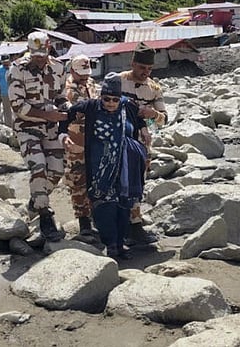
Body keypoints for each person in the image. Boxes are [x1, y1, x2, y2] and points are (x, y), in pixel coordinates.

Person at [58, 72, 150, 259]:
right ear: (101, 97)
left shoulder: (127, 105)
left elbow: (139, 117)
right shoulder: (90, 107)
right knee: (104, 206)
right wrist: (63, 135)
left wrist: (144, 130)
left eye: (114, 100)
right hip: (99, 168)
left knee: (123, 204)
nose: (110, 103)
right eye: (106, 99)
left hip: (124, 166)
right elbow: (66, 116)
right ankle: (111, 245)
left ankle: (120, 243)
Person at [8, 31, 68, 242]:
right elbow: (17, 105)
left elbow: (60, 96)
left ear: (49, 47)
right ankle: (45, 216)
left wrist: (67, 111)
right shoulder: (17, 69)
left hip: (52, 128)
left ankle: (35, 201)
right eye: (35, 54)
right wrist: (46, 114)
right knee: (38, 167)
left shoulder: (59, 67)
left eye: (42, 53)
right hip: (27, 127)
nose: (39, 58)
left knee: (57, 170)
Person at [119, 42, 167, 245]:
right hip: (118, 141)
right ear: (133, 63)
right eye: (141, 68)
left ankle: (134, 223)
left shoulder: (154, 88)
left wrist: (152, 114)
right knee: (119, 182)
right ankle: (128, 224)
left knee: (138, 182)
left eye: (149, 69)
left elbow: (164, 118)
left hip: (142, 143)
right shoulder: (119, 81)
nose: (145, 72)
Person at [62, 54, 100, 242]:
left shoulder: (90, 83)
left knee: (94, 178)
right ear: (72, 71)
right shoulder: (67, 88)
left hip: (93, 140)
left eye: (87, 74)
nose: (85, 77)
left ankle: (94, 216)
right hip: (76, 140)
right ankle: (84, 222)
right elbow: (74, 111)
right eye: (81, 74)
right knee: (77, 180)